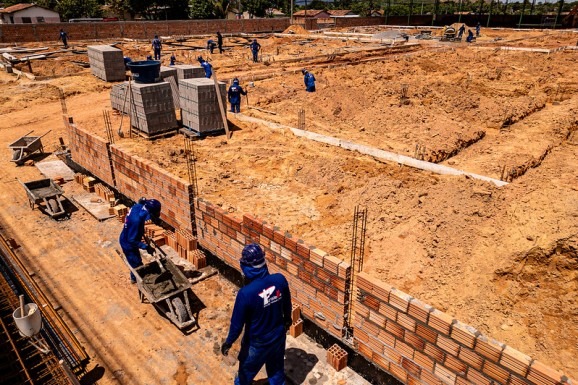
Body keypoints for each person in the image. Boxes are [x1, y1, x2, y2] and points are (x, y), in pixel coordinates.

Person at [221, 243, 292, 385]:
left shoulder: (246, 294)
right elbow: (287, 304)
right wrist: (287, 320)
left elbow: (236, 325)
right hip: (278, 336)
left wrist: (228, 342)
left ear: (246, 267)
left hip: (257, 343)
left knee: (244, 376)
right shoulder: (279, 279)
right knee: (276, 371)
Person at [119, 198, 162, 283]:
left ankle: (135, 277)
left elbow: (140, 200)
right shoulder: (137, 221)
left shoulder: (138, 206)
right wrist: (146, 247)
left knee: (135, 261)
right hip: (128, 244)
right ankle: (136, 280)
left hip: (129, 234)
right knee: (137, 264)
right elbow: (131, 240)